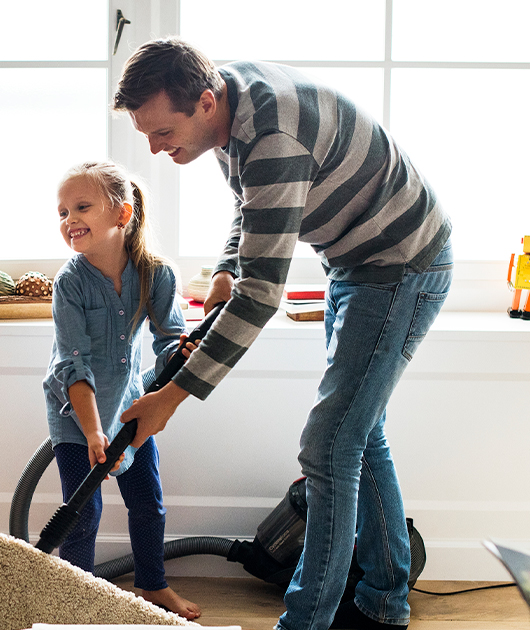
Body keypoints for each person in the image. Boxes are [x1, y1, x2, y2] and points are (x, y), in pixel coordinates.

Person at [113, 39, 454, 630]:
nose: (154, 147)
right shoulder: (229, 108)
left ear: (204, 100)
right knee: (357, 434)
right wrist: (226, 268)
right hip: (354, 261)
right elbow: (256, 205)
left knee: (329, 446)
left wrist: (170, 398)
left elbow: (263, 296)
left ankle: (306, 624)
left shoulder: (273, 136)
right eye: (145, 133)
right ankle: (383, 603)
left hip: (400, 265)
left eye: (162, 131)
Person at [43, 160, 201, 620]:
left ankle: (152, 585)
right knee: (84, 511)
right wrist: (92, 432)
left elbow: (168, 340)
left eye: (81, 207)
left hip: (133, 407)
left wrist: (179, 356)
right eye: (61, 212)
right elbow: (72, 364)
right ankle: (79, 598)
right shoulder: (70, 282)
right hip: (76, 413)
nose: (69, 219)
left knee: (147, 502)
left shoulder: (157, 275)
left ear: (122, 215)